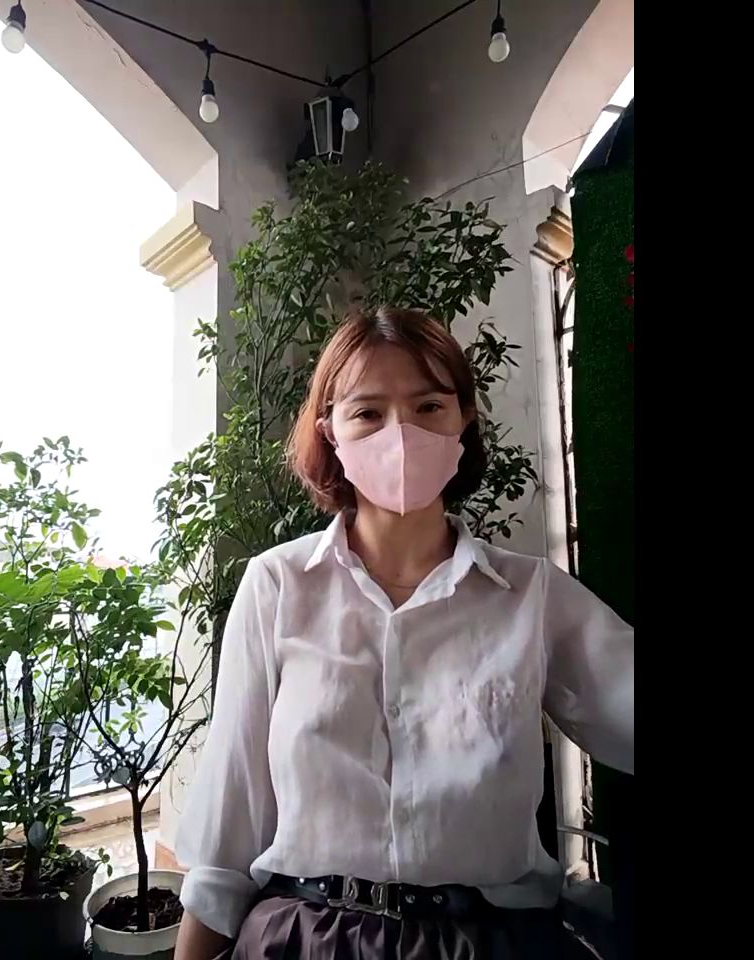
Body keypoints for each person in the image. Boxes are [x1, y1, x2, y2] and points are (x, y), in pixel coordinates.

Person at [174, 306, 634, 959]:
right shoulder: (277, 586)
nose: (401, 434)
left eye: (428, 406)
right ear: (329, 431)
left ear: (463, 419)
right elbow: (226, 841)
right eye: (368, 412)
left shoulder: (531, 596)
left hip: (491, 940)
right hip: (302, 938)